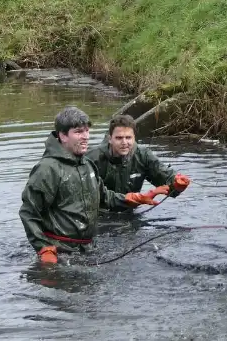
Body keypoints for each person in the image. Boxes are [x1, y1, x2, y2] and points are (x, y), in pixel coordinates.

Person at [19, 106, 163, 265]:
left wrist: (135, 198)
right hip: (59, 253)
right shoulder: (47, 169)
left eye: (87, 131)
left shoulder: (87, 164)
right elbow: (28, 213)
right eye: (79, 132)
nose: (86, 137)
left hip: (87, 249)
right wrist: (44, 248)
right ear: (63, 136)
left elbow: (104, 197)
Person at [86, 114, 191, 204]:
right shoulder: (92, 159)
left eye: (128, 138)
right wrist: (138, 198)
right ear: (110, 139)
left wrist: (177, 183)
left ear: (134, 137)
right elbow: (88, 197)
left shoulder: (143, 155)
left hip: (130, 211)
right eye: (119, 138)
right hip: (100, 214)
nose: (124, 142)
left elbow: (164, 176)